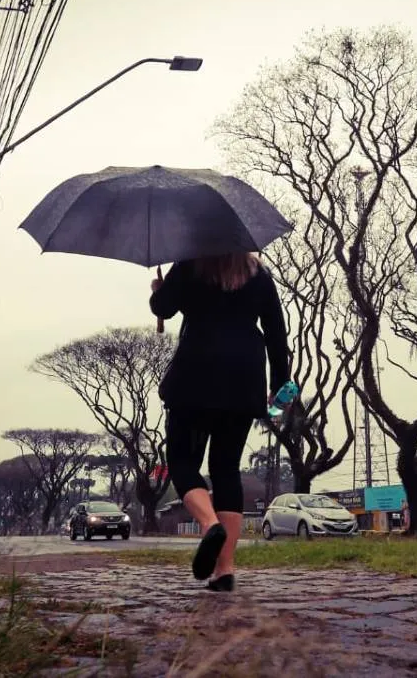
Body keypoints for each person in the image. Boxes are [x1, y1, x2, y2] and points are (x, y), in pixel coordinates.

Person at [150, 252, 289, 592]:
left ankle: (209, 524)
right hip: (244, 377)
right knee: (226, 468)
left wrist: (158, 289)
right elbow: (275, 332)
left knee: (182, 463)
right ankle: (224, 570)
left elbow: (163, 308)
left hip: (195, 374)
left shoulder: (189, 265)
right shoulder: (259, 274)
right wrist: (279, 385)